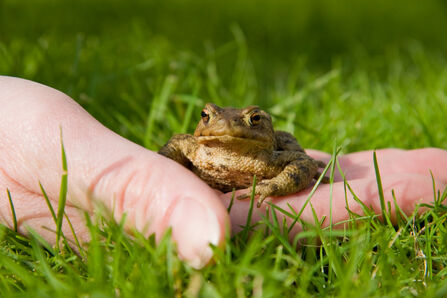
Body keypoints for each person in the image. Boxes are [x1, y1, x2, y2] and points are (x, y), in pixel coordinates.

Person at [0, 76, 446, 268]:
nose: (228, 126)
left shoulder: (273, 149)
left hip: (260, 165)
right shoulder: (197, 145)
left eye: (252, 120)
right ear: (204, 121)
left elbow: (302, 163)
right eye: (211, 117)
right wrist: (158, 172)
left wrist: (273, 184)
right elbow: (176, 144)